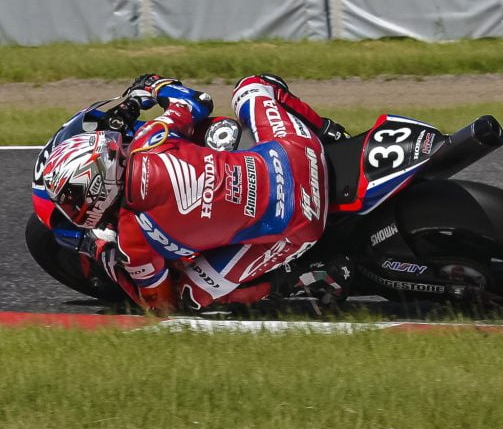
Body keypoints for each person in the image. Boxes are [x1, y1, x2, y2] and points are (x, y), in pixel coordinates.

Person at [33, 72, 344, 313]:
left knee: (188, 296)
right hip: (298, 151)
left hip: (300, 222)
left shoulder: (132, 240)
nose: (72, 207)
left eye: (72, 199)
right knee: (253, 85)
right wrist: (154, 88)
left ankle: (301, 278)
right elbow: (196, 101)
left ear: (97, 187)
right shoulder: (150, 138)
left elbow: (161, 305)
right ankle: (331, 132)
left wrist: (101, 251)